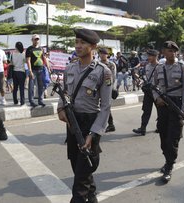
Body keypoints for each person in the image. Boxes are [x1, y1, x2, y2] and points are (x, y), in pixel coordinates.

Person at [57, 28, 112, 203]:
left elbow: (105, 107)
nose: (78, 46)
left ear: (93, 46)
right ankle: (92, 196)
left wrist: (94, 133)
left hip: (90, 122)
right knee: (77, 166)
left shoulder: (104, 71)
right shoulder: (70, 68)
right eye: (76, 42)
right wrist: (60, 109)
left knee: (80, 181)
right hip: (73, 122)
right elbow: (64, 93)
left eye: (83, 43)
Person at [152, 41, 184, 183]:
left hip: (177, 104)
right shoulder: (159, 68)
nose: (172, 53)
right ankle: (167, 158)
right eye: (169, 51)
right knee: (163, 135)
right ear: (163, 52)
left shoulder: (182, 67)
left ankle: (169, 165)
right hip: (162, 106)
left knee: (173, 138)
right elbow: (154, 86)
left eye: (174, 51)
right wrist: (157, 98)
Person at [133, 49, 159, 135]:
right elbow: (146, 78)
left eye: (150, 56)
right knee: (146, 110)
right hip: (148, 92)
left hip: (157, 92)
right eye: (148, 56)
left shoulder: (160, 66)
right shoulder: (147, 66)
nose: (148, 58)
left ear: (155, 56)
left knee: (160, 110)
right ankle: (142, 128)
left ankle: (160, 127)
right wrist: (140, 82)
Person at [98, 48, 117, 132]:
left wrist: (110, 88)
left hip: (107, 88)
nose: (102, 55)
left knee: (105, 106)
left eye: (104, 54)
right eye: (101, 54)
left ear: (107, 55)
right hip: (98, 88)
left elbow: (112, 77)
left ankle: (110, 124)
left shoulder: (111, 64)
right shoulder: (97, 64)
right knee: (100, 107)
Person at [26, 34, 46, 107]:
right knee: (31, 86)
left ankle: (40, 100)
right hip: (33, 70)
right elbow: (28, 60)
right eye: (35, 39)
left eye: (38, 39)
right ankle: (31, 101)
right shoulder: (29, 49)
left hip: (40, 69)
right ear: (32, 40)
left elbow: (44, 58)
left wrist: (48, 67)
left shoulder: (41, 49)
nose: (36, 41)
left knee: (41, 86)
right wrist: (30, 70)